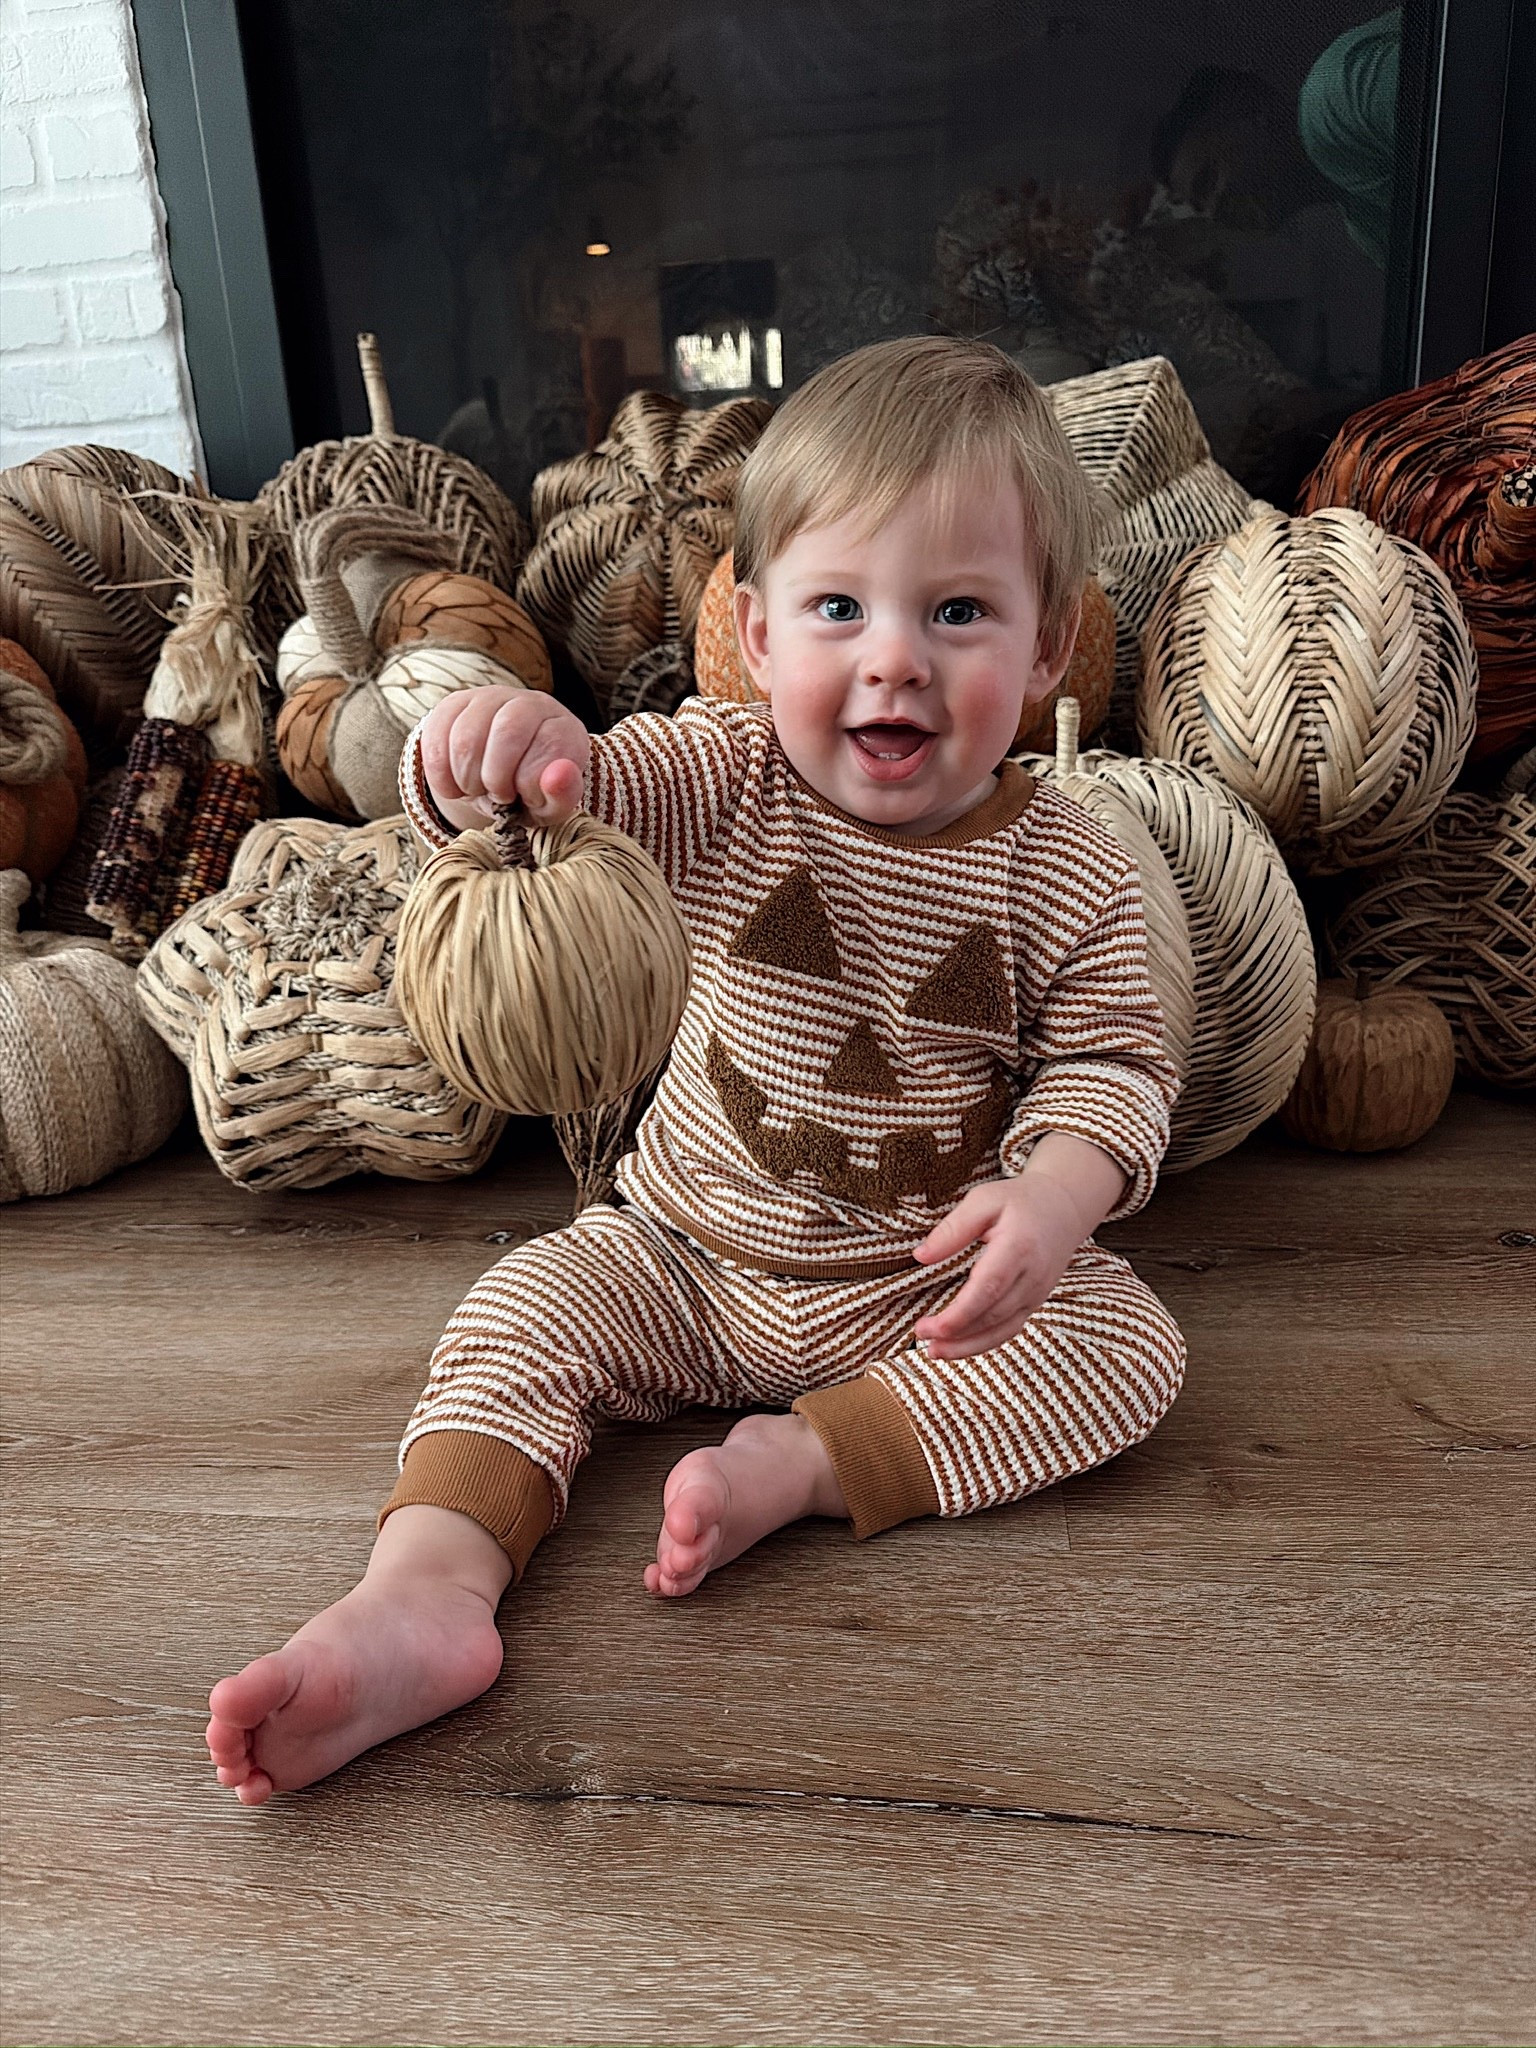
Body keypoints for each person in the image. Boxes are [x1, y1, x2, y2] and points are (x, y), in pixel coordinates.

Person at [206, 336, 1185, 1805]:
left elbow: (1117, 1061)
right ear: (757, 630)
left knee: (1128, 1348)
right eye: (840, 607)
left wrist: (1054, 1196)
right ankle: (422, 1594)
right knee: (527, 1300)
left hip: (910, 1290)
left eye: (961, 611)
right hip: (678, 1255)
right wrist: (500, 746)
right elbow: (571, 786)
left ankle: (809, 1465)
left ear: (1052, 646)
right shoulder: (725, 776)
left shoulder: (1078, 877)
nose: (894, 658)